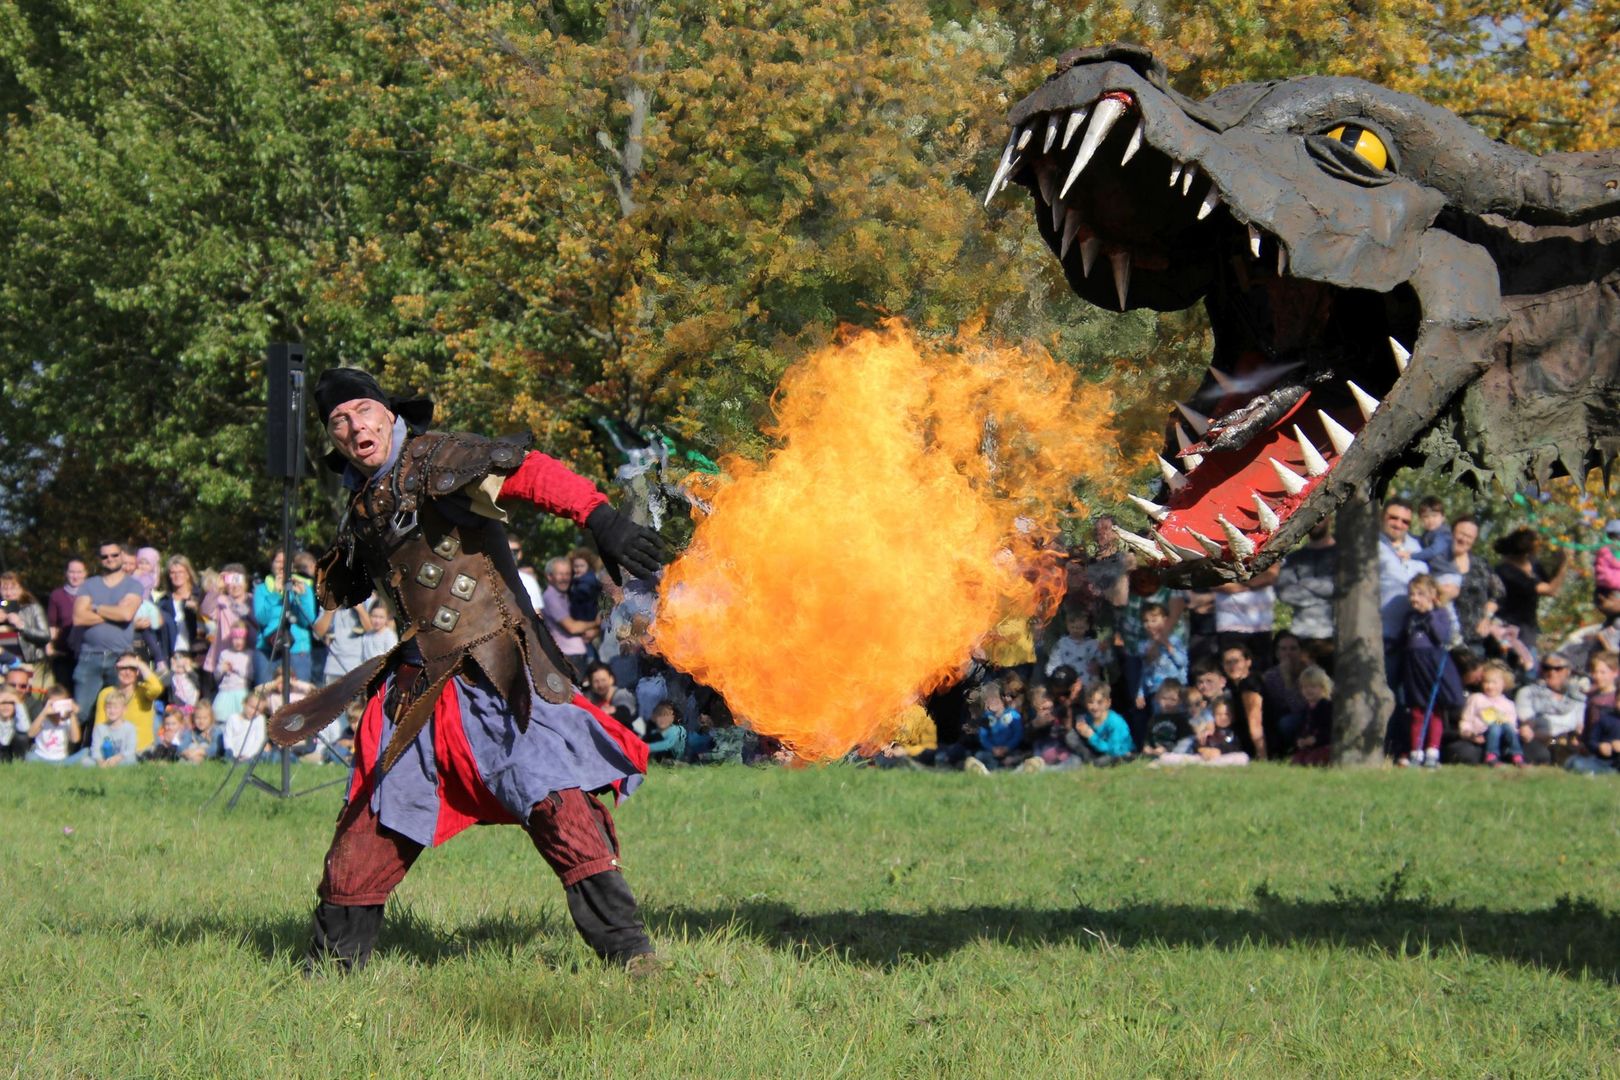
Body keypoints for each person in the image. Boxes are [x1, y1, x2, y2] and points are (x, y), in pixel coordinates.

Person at [269, 366, 668, 975]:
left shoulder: (438, 459)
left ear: (390, 415)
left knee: (558, 805)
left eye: (363, 411)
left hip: (499, 675)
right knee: (375, 820)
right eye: (338, 422)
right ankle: (329, 970)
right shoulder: (365, 500)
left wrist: (599, 517)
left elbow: (527, 470)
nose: (354, 427)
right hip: (419, 689)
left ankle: (630, 953)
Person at [71, 541, 145, 725]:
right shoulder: (89, 585)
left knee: (119, 713)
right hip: (89, 656)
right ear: (99, 559)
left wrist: (95, 607)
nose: (109, 559)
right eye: (104, 556)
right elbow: (78, 617)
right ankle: (74, 744)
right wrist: (114, 612)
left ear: (122, 556)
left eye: (114, 555)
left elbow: (126, 614)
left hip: (120, 657)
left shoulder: (133, 585)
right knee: (80, 713)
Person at [1397, 575, 1464, 767]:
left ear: (1432, 595)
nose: (1414, 598)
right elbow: (1403, 639)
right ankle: (1416, 751)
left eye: (1420, 594)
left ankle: (1432, 751)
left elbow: (1442, 637)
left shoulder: (1440, 613)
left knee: (1434, 709)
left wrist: (1431, 614)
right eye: (1411, 594)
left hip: (1431, 664)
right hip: (1414, 666)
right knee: (1417, 710)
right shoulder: (1410, 617)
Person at [1429, 516, 1502, 656]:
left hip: (1474, 642)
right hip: (1440, 639)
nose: (1464, 540)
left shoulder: (1481, 564)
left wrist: (1487, 617)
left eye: (1470, 537)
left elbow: (1497, 594)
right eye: (1461, 534)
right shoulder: (1434, 561)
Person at [1378, 499, 1429, 698]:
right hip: (1383, 637)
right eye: (1394, 518)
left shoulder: (1417, 548)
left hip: (1413, 639)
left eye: (1405, 521)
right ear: (1383, 517)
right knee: (1384, 696)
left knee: (1409, 700)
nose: (1399, 524)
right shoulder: (1370, 546)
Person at [1492, 527, 1567, 656]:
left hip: (1528, 627)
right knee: (1521, 662)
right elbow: (1549, 590)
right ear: (1527, 551)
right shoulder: (1506, 571)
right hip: (1509, 627)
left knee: (1529, 660)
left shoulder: (1533, 564)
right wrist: (1565, 564)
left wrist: (1559, 560)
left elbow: (1552, 587)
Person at [1274, 519, 1336, 668]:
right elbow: (1284, 593)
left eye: (1321, 518)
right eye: (1314, 518)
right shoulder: (1294, 558)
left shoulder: (1343, 556)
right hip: (1301, 636)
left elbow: (1340, 588)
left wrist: (1305, 582)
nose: (1316, 522)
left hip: (1335, 635)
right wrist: (1324, 595)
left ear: (1330, 519)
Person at [252, 549, 318, 685]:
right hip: (268, 651)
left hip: (297, 651)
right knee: (267, 694)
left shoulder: (303, 587)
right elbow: (261, 619)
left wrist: (302, 597)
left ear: (292, 565)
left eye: (286, 562)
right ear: (271, 564)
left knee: (298, 695)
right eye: (278, 561)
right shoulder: (261, 589)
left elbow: (307, 621)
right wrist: (275, 593)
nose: (282, 565)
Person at [1515, 653, 1585, 765]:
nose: (1552, 672)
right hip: (1542, 742)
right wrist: (1555, 739)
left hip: (1568, 742)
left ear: (1568, 671)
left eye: (1558, 668)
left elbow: (1580, 727)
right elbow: (1526, 730)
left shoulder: (1577, 697)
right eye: (1547, 668)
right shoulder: (1528, 693)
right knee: (1547, 750)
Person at [94, 653, 165, 754]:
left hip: (140, 750)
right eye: (123, 668)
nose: (127, 672)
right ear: (117, 669)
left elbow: (156, 688)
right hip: (113, 749)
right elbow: (99, 725)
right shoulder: (106, 693)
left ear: (137, 672)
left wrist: (139, 664)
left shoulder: (144, 691)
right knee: (84, 755)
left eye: (132, 668)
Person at [540, 557, 597, 680]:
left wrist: (593, 630)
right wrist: (596, 623)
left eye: (567, 574)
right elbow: (572, 627)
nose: (565, 578)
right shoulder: (551, 597)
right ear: (549, 577)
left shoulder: (567, 594)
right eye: (560, 574)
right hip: (567, 657)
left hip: (578, 655)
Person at [1459, 660, 1523, 766]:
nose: (1489, 686)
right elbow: (1467, 719)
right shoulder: (1477, 698)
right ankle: (1491, 755)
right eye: (1486, 682)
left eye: (1494, 683)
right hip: (1482, 733)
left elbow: (1512, 723)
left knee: (1505, 725)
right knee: (1495, 726)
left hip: (1502, 736)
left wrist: (1516, 732)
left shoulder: (1508, 704)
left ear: (1503, 684)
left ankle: (1517, 755)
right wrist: (1467, 732)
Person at [1567, 652, 1620, 775]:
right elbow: (1589, 723)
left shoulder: (1616, 700)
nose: (1598, 676)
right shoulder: (1592, 696)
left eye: (1603, 672)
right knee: (1570, 761)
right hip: (1593, 743)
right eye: (1595, 672)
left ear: (1615, 673)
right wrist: (1583, 741)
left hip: (1610, 750)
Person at [1067, 682, 1134, 765]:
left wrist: (1091, 736)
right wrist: (1080, 729)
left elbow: (1115, 750)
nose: (1094, 707)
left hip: (1118, 753)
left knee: (1103, 761)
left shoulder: (1115, 722)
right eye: (1090, 702)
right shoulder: (1088, 718)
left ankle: (1091, 761)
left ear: (1108, 703)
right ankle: (1088, 760)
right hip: (1098, 750)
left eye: (1099, 702)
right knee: (1071, 736)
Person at [1221, 644, 1268, 761]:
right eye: (1228, 662)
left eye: (1236, 661)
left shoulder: (1249, 685)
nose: (1233, 666)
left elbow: (1255, 722)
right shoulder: (1231, 687)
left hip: (1261, 743)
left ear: (1248, 662)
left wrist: (1262, 756)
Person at [46, 558, 87, 689]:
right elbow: (52, 625)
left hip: (87, 652)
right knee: (64, 689)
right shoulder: (57, 595)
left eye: (79, 572)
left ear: (85, 573)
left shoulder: (93, 594)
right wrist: (49, 645)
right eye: (72, 572)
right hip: (63, 652)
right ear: (66, 573)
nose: (75, 576)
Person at [964, 681, 1022, 774]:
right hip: (992, 752)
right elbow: (983, 737)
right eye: (989, 701)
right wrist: (992, 749)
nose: (992, 703)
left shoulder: (1013, 715)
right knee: (980, 755)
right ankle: (993, 768)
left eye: (995, 700)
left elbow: (1017, 734)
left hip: (1010, 750)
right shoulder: (986, 717)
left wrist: (1007, 747)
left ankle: (1008, 767)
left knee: (1018, 756)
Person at [157, 556, 204, 665]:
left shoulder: (200, 597)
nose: (177, 575)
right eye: (173, 572)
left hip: (197, 655)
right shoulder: (163, 602)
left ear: (188, 574)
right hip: (172, 657)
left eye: (181, 572)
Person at [1044, 603, 1105, 683]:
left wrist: (1098, 665)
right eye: (1073, 627)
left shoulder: (1093, 644)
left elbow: (1102, 658)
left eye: (1080, 628)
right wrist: (1053, 676)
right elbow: (1054, 661)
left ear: (1087, 627)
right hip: (1068, 680)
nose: (1076, 630)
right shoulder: (1062, 643)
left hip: (1088, 681)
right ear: (1067, 626)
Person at [0, 572, 49, 669]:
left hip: (27, 663)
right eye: (4, 589)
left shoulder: (33, 608)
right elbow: (3, 603)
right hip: (3, 664)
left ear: (21, 589)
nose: (8, 593)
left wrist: (22, 626)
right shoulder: (2, 604)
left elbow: (45, 637)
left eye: (13, 588)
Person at [1288, 666, 1335, 766]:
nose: (1308, 690)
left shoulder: (1327, 706)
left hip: (1324, 745)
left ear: (1323, 688)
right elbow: (1301, 728)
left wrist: (1316, 739)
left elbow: (1329, 730)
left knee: (1312, 760)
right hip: (1309, 746)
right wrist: (1300, 740)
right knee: (1296, 761)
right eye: (1305, 687)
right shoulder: (1306, 709)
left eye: (1313, 687)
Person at [25, 687, 80, 764]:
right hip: (41, 756)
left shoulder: (67, 721)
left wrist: (72, 714)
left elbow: (75, 739)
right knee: (29, 757)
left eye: (61, 704)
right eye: (54, 704)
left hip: (61, 759)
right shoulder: (43, 720)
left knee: (84, 758)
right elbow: (30, 734)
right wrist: (44, 712)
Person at [83, 690, 137, 767]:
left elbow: (130, 750)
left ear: (124, 710)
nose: (112, 711)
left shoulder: (130, 728)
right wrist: (100, 762)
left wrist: (116, 759)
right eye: (109, 707)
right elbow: (95, 750)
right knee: (86, 761)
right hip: (104, 759)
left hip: (121, 759)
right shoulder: (99, 728)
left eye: (116, 707)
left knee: (130, 760)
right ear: (105, 709)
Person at [223, 692, 269, 762]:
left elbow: (258, 740)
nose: (254, 712)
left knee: (265, 754)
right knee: (227, 757)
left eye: (258, 710)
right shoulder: (233, 718)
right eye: (252, 707)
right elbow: (227, 738)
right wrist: (231, 752)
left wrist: (248, 755)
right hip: (233, 753)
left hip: (251, 754)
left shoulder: (259, 719)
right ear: (244, 703)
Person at [1412, 497, 1452, 566]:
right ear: (1420, 519)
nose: (1430, 520)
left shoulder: (1444, 533)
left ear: (1443, 517)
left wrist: (1412, 556)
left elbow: (1434, 550)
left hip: (1446, 570)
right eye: (1426, 516)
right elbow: (1420, 540)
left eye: (1434, 516)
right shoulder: (1427, 533)